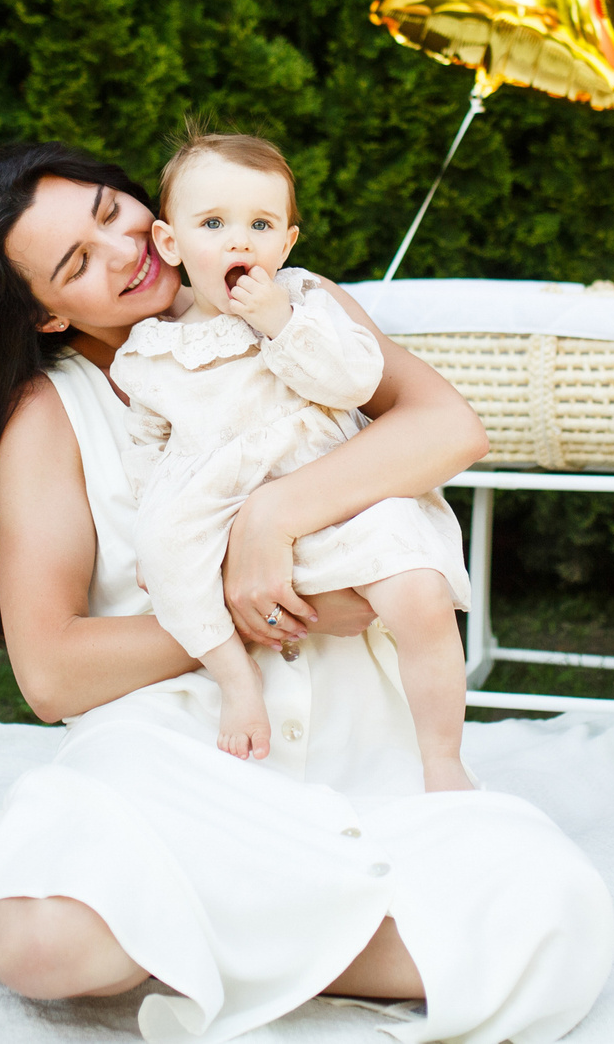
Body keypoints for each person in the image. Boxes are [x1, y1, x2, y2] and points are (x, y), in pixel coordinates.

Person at [0, 142, 614, 1043]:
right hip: (189, 756)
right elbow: (51, 675)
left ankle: (191, 931)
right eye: (76, 263)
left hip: (368, 765)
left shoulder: (303, 309)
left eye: (110, 210)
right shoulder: (56, 417)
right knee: (51, 952)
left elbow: (447, 425)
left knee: (551, 927)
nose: (124, 250)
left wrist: (270, 522)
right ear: (46, 316)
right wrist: (248, 616)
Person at [116, 128, 471, 789]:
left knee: (420, 589)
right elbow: (147, 440)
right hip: (215, 495)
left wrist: (280, 321)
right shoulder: (152, 351)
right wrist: (151, 518)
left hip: (331, 488)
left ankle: (443, 756)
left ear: (287, 242)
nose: (239, 241)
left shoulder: (309, 306)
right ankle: (235, 677)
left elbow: (354, 383)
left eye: (260, 223)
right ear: (172, 243)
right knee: (164, 549)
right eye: (214, 222)